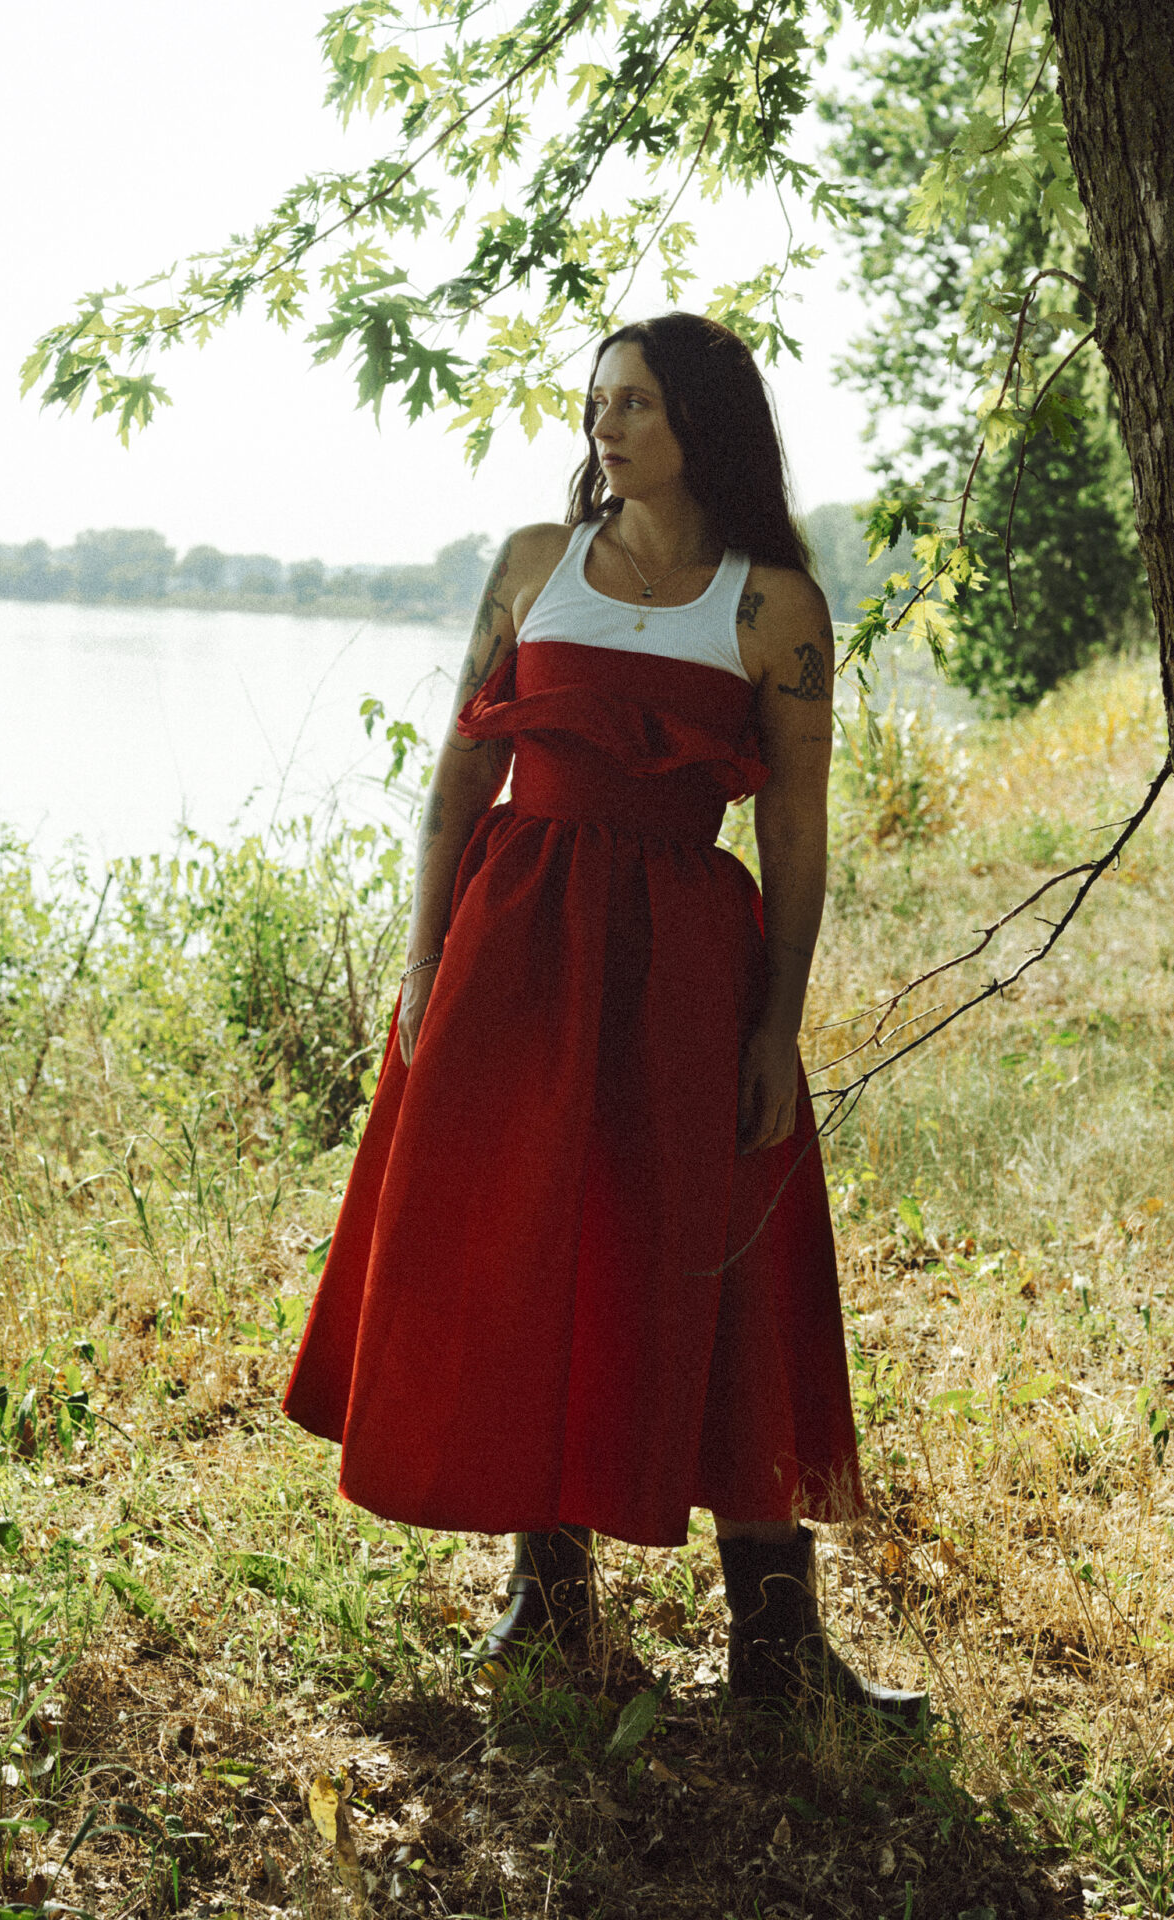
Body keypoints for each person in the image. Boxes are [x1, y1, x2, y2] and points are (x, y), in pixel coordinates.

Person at [283, 312, 925, 1728]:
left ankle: (776, 1644)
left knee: (714, 1261)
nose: (604, 426)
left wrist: (778, 1027)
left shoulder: (772, 607)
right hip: (520, 953)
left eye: (633, 402)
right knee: (530, 1246)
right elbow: (457, 786)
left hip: (689, 967)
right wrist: (421, 962)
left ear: (704, 421)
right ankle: (546, 1600)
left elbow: (800, 840)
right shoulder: (532, 566)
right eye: (597, 403)